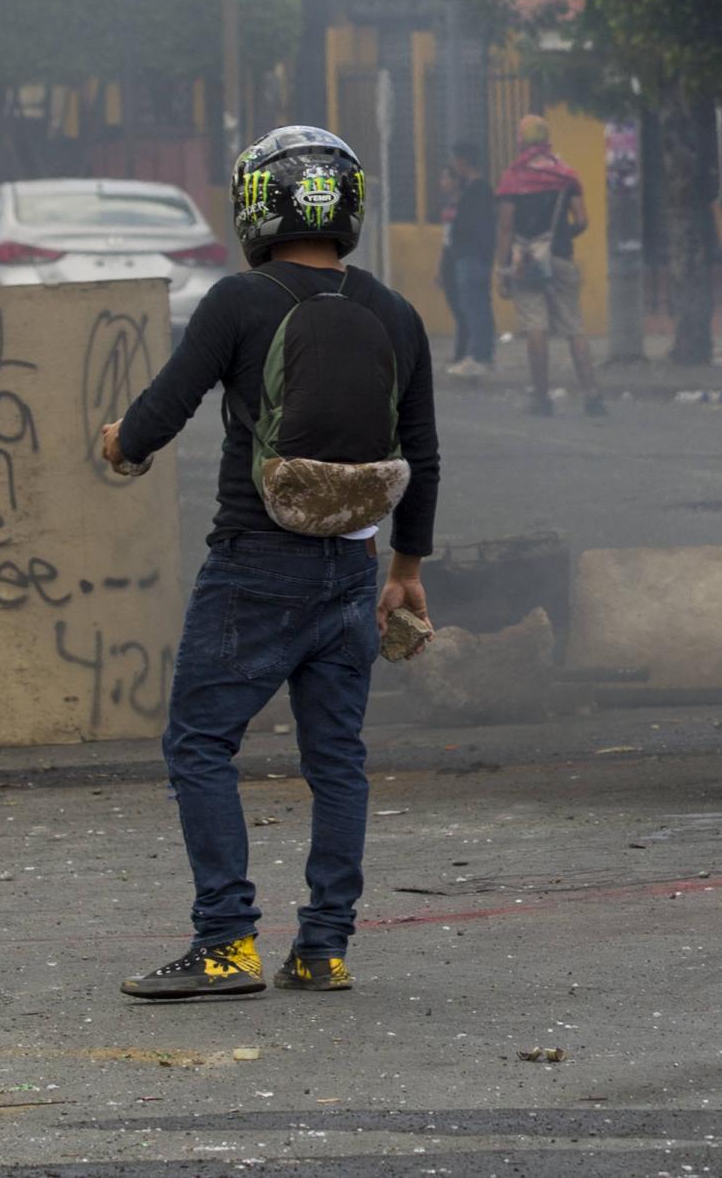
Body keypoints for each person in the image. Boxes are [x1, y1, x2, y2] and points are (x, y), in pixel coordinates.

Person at [102, 125, 441, 1000]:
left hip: (256, 563)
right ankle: (324, 947)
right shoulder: (395, 312)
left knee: (200, 742)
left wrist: (117, 442)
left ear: (256, 206)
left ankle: (225, 942)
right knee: (337, 757)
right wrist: (405, 568)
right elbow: (425, 455)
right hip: (354, 568)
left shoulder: (240, 301)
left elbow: (158, 414)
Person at [495, 115, 604, 417]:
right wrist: (558, 239)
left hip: (525, 262)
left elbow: (505, 228)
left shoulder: (513, 178)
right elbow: (582, 220)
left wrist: (502, 269)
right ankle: (592, 395)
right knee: (574, 327)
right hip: (561, 258)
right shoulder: (565, 175)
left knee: (535, 326)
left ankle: (542, 397)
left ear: (521, 139)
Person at [446, 142, 497, 375]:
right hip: (471, 257)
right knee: (474, 307)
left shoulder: (479, 190)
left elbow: (478, 227)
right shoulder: (474, 189)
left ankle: (480, 356)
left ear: (464, 161)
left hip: (472, 258)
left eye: (456, 160)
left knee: (475, 308)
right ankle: (480, 355)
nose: (455, 165)